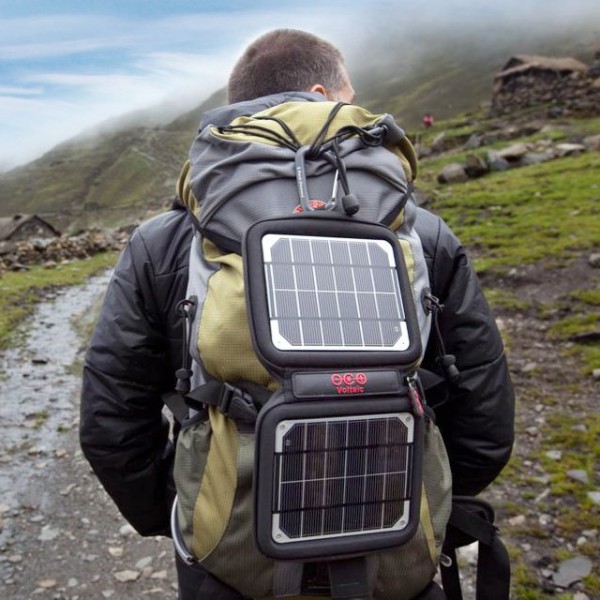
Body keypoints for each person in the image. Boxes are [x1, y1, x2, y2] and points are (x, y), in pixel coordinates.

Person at [79, 28, 515, 599]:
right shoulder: (422, 231)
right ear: (321, 92)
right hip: (397, 552)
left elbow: (111, 420)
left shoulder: (166, 240)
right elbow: (484, 411)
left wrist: (188, 502)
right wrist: (425, 494)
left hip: (231, 557)